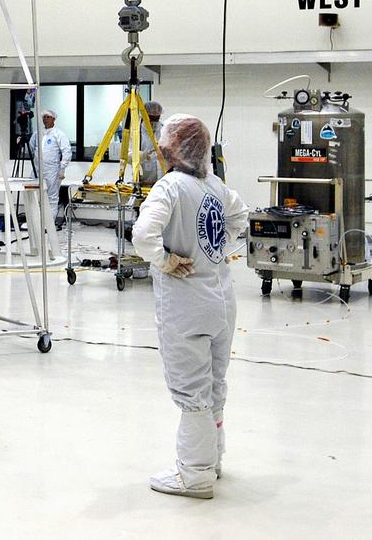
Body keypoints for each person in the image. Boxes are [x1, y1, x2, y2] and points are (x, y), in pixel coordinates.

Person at [131, 114, 249, 499]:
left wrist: (165, 259)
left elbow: (143, 235)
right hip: (221, 301)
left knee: (192, 391)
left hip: (186, 304)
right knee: (215, 382)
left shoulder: (169, 188)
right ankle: (213, 458)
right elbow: (239, 219)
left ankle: (194, 474)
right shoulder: (214, 185)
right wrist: (216, 250)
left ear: (171, 149)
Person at [37, 110, 73, 234]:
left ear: (53, 119)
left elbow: (67, 151)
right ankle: (38, 222)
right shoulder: (39, 133)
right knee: (39, 197)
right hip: (38, 170)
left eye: (48, 117)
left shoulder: (59, 134)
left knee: (52, 197)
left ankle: (49, 223)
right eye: (44, 117)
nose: (45, 119)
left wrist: (62, 169)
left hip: (53, 170)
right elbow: (33, 147)